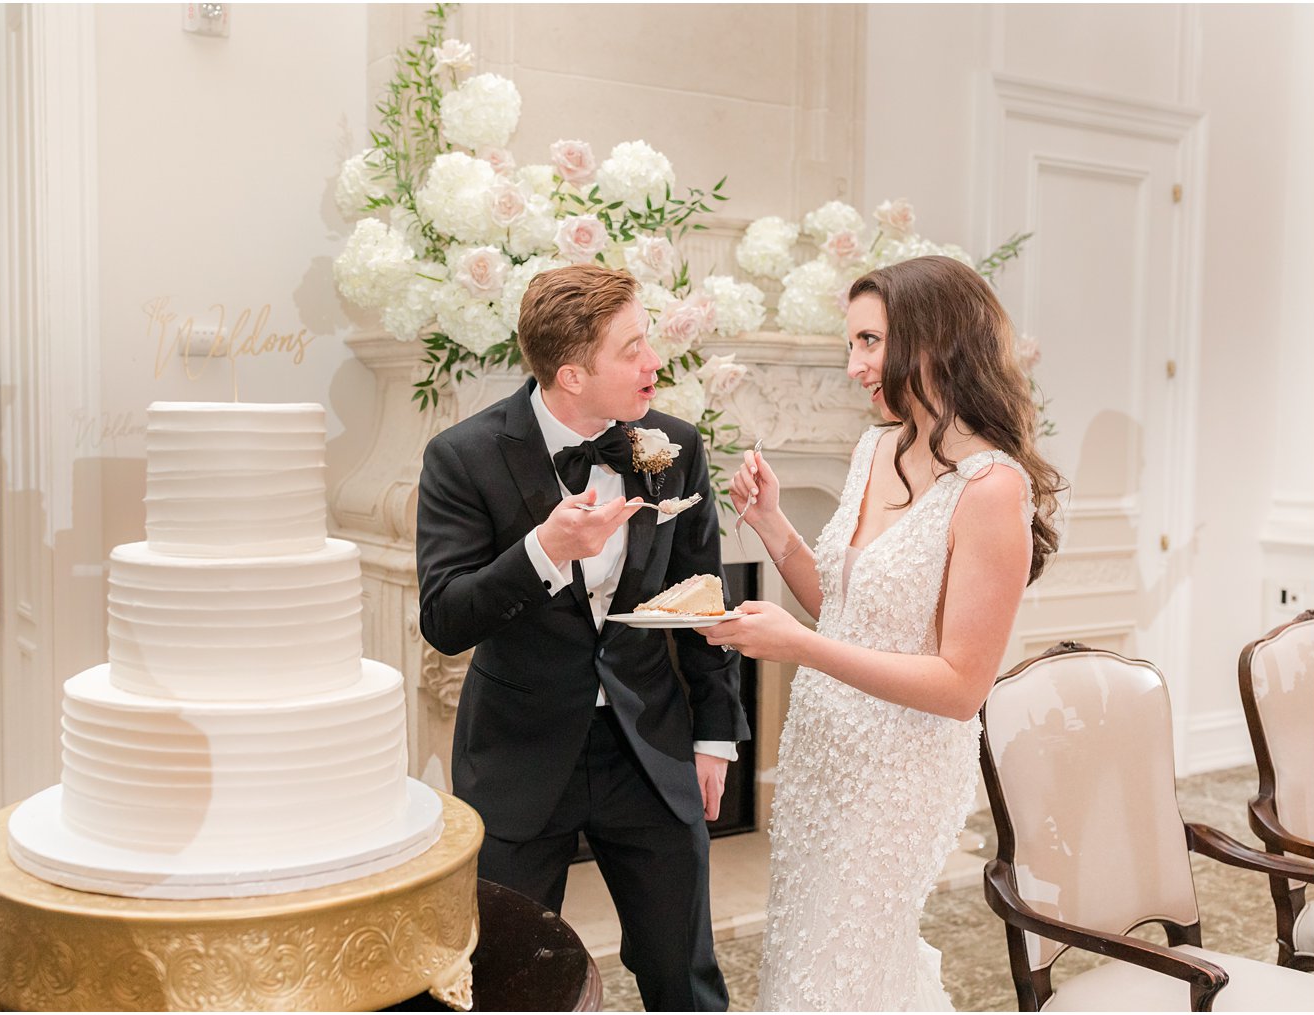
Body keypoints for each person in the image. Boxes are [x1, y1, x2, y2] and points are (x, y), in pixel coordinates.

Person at [700, 255, 1065, 1010]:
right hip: (821, 752)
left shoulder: (992, 489)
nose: (854, 364)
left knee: (844, 963)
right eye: (853, 344)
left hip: (901, 771)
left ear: (931, 341)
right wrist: (773, 527)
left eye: (869, 341)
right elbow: (843, 608)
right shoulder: (877, 447)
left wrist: (798, 648)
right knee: (806, 951)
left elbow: (962, 686)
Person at [416, 264, 750, 1011]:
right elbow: (443, 617)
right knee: (503, 981)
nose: (653, 361)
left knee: (686, 979)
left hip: (650, 748)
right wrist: (543, 550)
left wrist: (716, 736)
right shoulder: (462, 457)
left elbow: (702, 601)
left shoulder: (676, 445)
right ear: (572, 373)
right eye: (632, 348)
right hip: (519, 757)